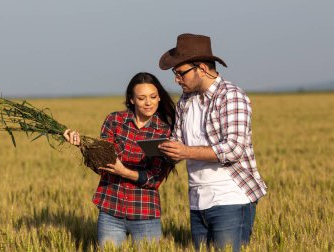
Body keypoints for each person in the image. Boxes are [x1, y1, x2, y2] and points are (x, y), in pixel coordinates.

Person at [158, 33, 267, 251]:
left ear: (203, 69)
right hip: (198, 201)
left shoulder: (231, 96)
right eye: (175, 74)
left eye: (181, 73)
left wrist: (185, 151)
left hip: (231, 199)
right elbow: (178, 142)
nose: (177, 79)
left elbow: (233, 149)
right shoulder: (185, 102)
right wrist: (165, 149)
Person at [63, 72, 176, 248]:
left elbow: (155, 179)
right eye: (141, 98)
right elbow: (101, 165)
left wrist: (123, 171)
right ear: (131, 99)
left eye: (153, 97)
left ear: (159, 97)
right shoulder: (114, 120)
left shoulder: (165, 132)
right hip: (110, 211)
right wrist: (81, 146)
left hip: (145, 214)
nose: (148, 102)